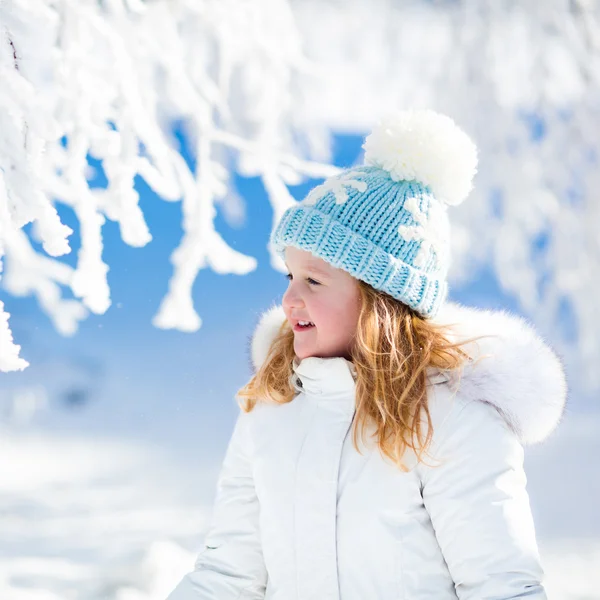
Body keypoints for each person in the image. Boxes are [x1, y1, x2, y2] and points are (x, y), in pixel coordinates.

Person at [167, 110, 568, 599]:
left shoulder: (453, 419)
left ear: (381, 300)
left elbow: (500, 586)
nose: (290, 300)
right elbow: (227, 575)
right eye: (289, 277)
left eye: (314, 281)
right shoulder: (271, 410)